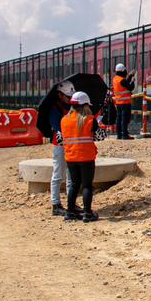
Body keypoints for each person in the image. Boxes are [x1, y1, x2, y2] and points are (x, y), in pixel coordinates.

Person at [60, 91, 100, 223]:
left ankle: (70, 212)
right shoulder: (89, 119)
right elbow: (100, 136)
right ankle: (87, 214)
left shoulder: (64, 120)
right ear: (85, 105)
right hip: (86, 158)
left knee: (74, 185)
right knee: (87, 186)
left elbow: (61, 139)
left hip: (71, 157)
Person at [39, 81, 74, 217]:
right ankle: (56, 204)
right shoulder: (55, 109)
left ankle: (71, 203)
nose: (70, 99)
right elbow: (59, 127)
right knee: (58, 174)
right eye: (68, 96)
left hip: (72, 144)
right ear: (60, 95)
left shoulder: (73, 107)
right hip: (59, 145)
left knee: (71, 176)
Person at [112, 63, 135, 139]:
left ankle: (119, 135)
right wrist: (133, 81)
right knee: (125, 119)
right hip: (125, 103)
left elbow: (125, 84)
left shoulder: (115, 79)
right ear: (122, 71)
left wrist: (130, 76)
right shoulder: (122, 80)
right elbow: (130, 87)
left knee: (119, 119)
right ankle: (125, 135)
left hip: (118, 103)